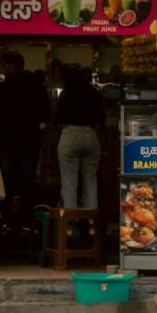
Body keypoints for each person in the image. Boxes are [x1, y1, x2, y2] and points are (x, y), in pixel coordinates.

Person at [0, 51, 50, 230]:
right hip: (29, 142)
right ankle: (26, 222)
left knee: (6, 186)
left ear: (11, 65)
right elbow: (46, 115)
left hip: (7, 142)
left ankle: (7, 222)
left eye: (3, 66)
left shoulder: (1, 88)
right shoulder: (38, 87)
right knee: (27, 184)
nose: (2, 70)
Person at [56, 64, 105, 209]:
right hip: (90, 135)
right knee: (90, 179)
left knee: (69, 181)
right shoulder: (94, 92)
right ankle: (90, 221)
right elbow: (101, 118)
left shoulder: (65, 93)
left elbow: (58, 119)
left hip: (70, 134)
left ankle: (70, 221)